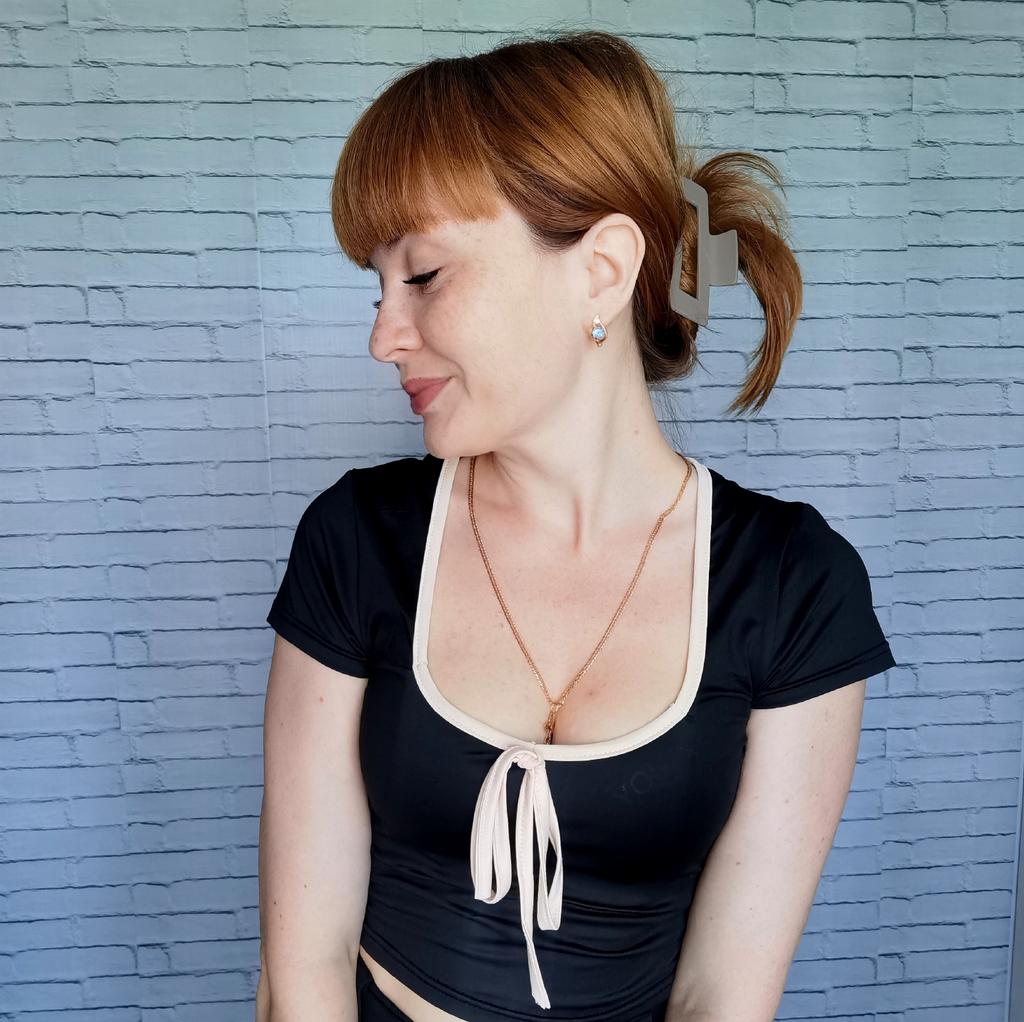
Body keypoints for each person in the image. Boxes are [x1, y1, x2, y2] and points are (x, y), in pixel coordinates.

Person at [255, 28, 898, 1022]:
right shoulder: (357, 540)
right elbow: (304, 962)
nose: (383, 335)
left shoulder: (791, 586)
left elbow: (722, 993)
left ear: (601, 270)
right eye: (375, 285)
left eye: (421, 276)